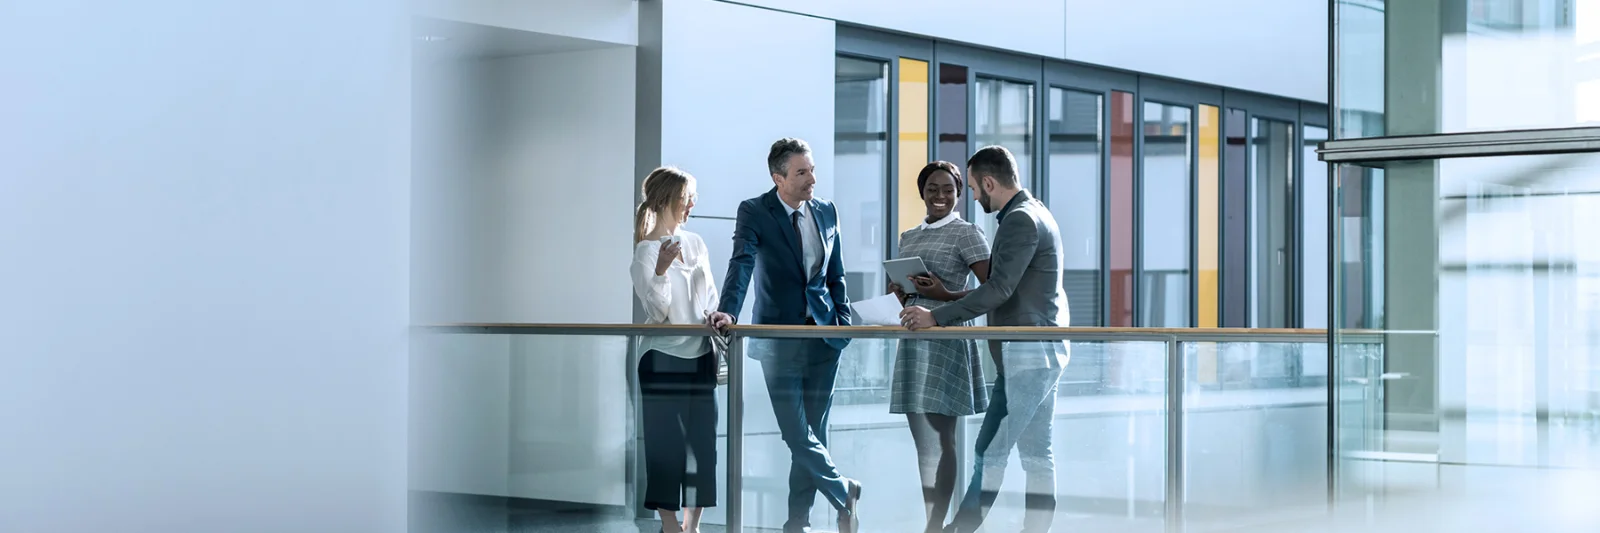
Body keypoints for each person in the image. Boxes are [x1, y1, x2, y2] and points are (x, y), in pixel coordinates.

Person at [899, 146, 1069, 533]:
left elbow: (998, 289)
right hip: (1043, 351)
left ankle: (957, 531)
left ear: (989, 182)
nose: (974, 196)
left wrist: (935, 317)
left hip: (1026, 354)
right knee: (1036, 455)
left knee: (988, 451)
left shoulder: (1020, 220)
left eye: (974, 188)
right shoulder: (1037, 211)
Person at [705, 138, 864, 533]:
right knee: (795, 432)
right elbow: (741, 262)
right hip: (778, 337)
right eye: (802, 172)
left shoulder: (827, 210)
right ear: (778, 178)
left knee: (814, 431)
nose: (813, 178)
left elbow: (836, 274)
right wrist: (729, 309)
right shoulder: (755, 211)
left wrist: (842, 322)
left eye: (812, 169)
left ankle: (799, 521)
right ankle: (844, 492)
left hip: (825, 338)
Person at [886, 161, 992, 533]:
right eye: (933, 188)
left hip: (947, 338)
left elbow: (992, 290)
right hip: (914, 340)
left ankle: (934, 526)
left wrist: (943, 295)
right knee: (923, 443)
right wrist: (898, 293)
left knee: (943, 437)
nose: (940, 196)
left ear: (959, 193)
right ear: (922, 193)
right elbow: (897, 292)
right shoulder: (908, 237)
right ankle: (931, 520)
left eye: (948, 189)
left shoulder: (968, 233)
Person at [630, 167, 720, 533]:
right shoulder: (646, 251)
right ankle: (669, 525)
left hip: (701, 356)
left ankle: (692, 525)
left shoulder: (696, 243)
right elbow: (656, 312)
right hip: (662, 359)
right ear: (668, 200)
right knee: (665, 446)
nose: (692, 205)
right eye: (687, 199)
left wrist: (716, 314)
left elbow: (709, 298)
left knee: (704, 446)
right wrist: (663, 271)